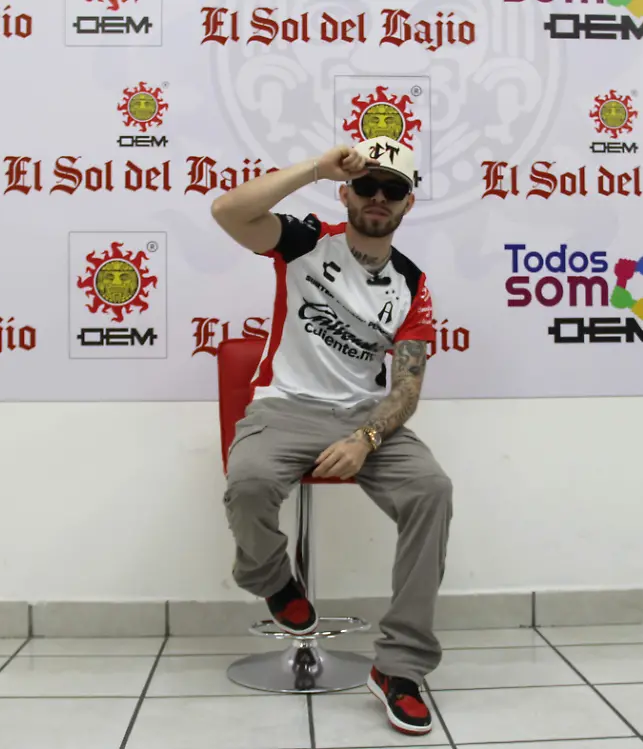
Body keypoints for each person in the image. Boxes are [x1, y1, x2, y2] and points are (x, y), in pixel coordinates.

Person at [209, 136, 454, 736]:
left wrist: (366, 437)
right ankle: (272, 579)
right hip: (285, 407)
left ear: (408, 203)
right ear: (346, 193)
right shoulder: (306, 241)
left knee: (432, 490)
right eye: (366, 185)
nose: (378, 197)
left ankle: (399, 667)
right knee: (249, 482)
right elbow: (227, 211)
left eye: (393, 189)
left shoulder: (413, 283)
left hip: (365, 417)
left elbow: (407, 389)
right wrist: (317, 168)